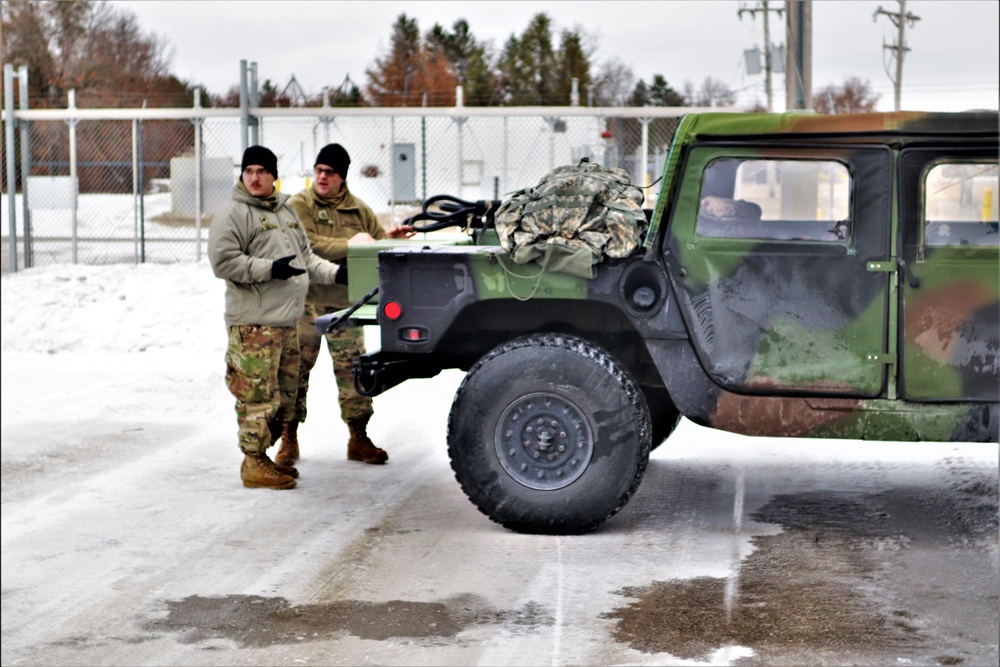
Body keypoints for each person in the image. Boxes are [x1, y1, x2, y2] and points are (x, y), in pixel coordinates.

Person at [208, 145, 343, 490]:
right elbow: (223, 262)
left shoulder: (285, 211)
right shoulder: (234, 213)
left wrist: (336, 274)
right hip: (254, 323)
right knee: (256, 394)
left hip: (285, 323)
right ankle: (252, 463)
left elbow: (306, 259)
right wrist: (270, 269)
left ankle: (264, 457)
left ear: (273, 176)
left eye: (261, 171)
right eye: (249, 170)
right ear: (242, 175)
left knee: (281, 394)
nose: (254, 177)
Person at [277, 143, 414, 467]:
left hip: (345, 309)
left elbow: (375, 246)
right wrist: (349, 244)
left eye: (330, 172)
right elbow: (305, 245)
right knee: (294, 374)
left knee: (355, 373)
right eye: (319, 170)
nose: (323, 177)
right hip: (305, 304)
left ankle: (359, 437)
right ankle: (288, 438)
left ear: (343, 177)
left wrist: (390, 237)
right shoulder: (299, 204)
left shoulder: (360, 211)